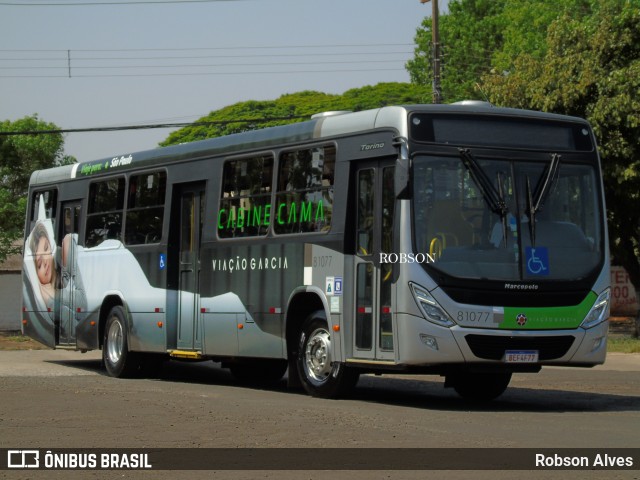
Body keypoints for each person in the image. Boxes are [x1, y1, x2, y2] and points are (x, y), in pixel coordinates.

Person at [29, 221, 57, 311]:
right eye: (39, 264)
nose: (45, 261)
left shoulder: (65, 276)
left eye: (46, 248)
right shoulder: (42, 295)